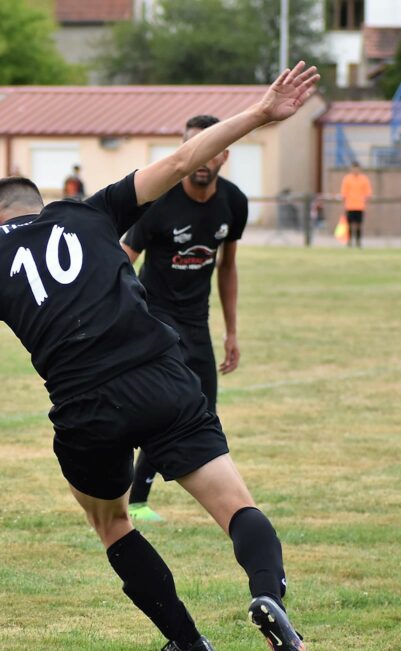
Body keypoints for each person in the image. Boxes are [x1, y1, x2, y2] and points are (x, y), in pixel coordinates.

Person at [0, 62, 320, 651]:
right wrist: (259, 112)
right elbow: (180, 160)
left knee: (112, 521)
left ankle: (188, 642)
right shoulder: (92, 213)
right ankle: (269, 596)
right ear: (41, 205)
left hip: (86, 409)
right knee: (236, 506)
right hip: (161, 379)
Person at [119, 114, 248, 523]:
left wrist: (231, 331)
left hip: (197, 322)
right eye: (196, 146)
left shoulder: (234, 202)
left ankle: (148, 497)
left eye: (212, 147)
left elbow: (227, 267)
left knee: (203, 410)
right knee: (167, 407)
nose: (204, 157)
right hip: (154, 321)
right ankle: (135, 499)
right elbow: (123, 260)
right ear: (183, 150)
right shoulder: (158, 202)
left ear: (224, 154)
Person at [339, 161, 371, 248]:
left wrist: (365, 199)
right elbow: (343, 193)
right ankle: (349, 242)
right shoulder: (347, 179)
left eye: (357, 168)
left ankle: (358, 242)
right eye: (354, 168)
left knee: (358, 225)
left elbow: (368, 193)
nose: (355, 170)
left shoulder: (364, 179)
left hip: (360, 206)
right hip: (350, 205)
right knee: (349, 225)